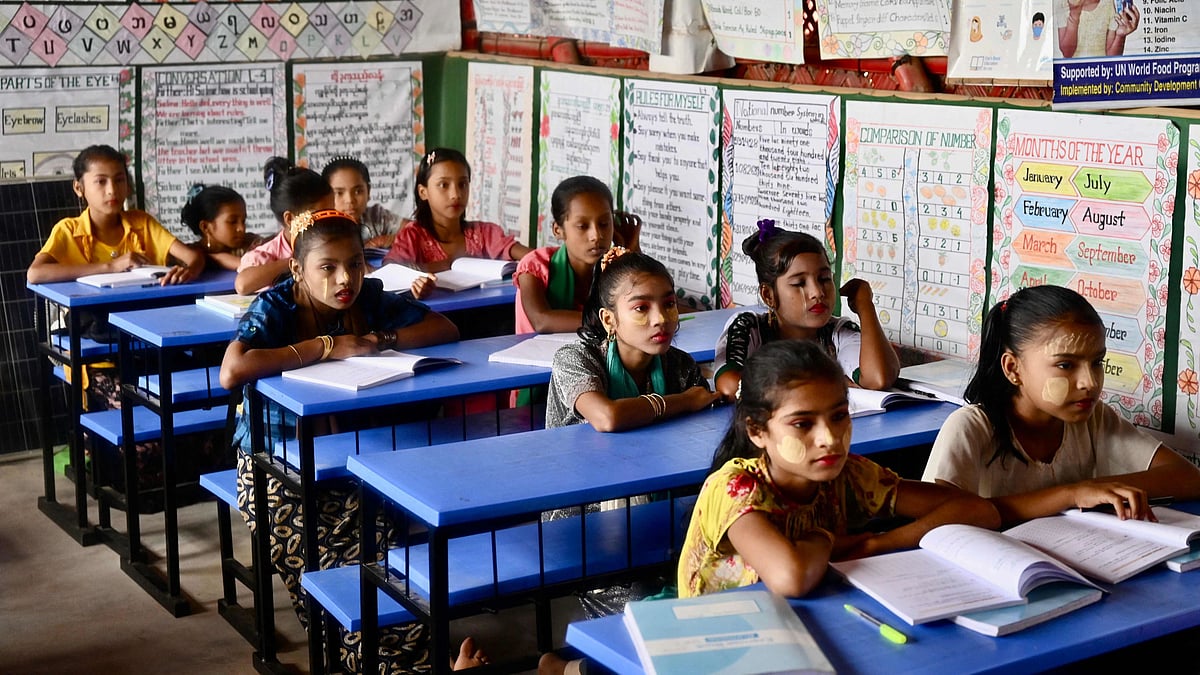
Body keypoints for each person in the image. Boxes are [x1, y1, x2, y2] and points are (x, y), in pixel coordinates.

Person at [217, 210, 478, 672]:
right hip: (273, 466)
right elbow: (232, 371)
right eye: (328, 267)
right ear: (297, 269)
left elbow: (446, 329)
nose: (346, 279)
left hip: (357, 458)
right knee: (327, 570)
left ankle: (410, 662)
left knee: (384, 566)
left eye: (356, 264)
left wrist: (381, 338)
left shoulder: (371, 299)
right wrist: (326, 346)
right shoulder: (275, 307)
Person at [678, 340, 999, 598]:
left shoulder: (849, 475)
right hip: (720, 635)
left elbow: (976, 510)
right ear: (757, 431)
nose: (830, 438)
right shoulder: (735, 487)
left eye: (839, 416)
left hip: (803, 618)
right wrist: (824, 538)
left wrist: (880, 543)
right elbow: (791, 578)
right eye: (803, 423)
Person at [923, 285, 1200, 526]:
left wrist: (1090, 489)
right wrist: (1070, 494)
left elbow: (1188, 478)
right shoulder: (972, 427)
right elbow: (939, 517)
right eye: (1065, 365)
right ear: (1012, 368)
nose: (1089, 382)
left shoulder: (1094, 419)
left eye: (1096, 362)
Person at [713, 219, 899, 401]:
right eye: (799, 283)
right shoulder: (748, 327)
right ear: (768, 295)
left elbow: (877, 379)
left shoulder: (838, 332)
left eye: (824, 279)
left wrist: (865, 306)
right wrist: (825, 383)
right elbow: (730, 386)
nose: (817, 292)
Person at [545, 247, 719, 430]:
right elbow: (607, 417)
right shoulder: (575, 359)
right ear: (608, 319)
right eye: (641, 308)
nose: (661, 319)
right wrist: (686, 401)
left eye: (669, 304)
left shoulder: (681, 365)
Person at [28, 144, 203, 285]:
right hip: (92, 321)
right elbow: (35, 273)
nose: (112, 190)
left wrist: (189, 271)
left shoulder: (142, 223)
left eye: (119, 180)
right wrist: (111, 266)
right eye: (101, 182)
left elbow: (193, 257)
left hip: (142, 313)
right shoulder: (68, 230)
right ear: (78, 188)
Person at [382, 148, 531, 298]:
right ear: (423, 192)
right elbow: (389, 271)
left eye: (462, 184)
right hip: (436, 317)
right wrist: (421, 279)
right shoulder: (413, 236)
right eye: (443, 185)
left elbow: (530, 256)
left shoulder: (484, 233)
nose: (456, 194)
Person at [515, 176, 619, 335]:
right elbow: (541, 321)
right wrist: (610, 321)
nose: (596, 235)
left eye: (604, 224)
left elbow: (643, 300)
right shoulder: (536, 266)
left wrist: (631, 246)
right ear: (558, 230)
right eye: (582, 226)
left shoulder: (614, 268)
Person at [234, 156, 334, 294]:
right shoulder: (266, 255)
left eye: (332, 212)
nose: (328, 219)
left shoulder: (333, 243)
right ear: (290, 219)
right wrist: (296, 260)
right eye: (319, 214)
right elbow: (243, 285)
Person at [322, 156, 402, 249]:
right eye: (339, 193)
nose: (350, 200)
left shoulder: (376, 216)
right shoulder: (319, 229)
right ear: (326, 196)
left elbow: (415, 231)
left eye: (358, 191)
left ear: (368, 191)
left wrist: (391, 239)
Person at [180, 184, 262, 271]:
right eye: (232, 221)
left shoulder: (252, 243)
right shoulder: (189, 255)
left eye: (243, 221)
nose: (241, 228)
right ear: (205, 227)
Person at [1055, 0, 1139, 58]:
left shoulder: (1110, 4)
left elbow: (1112, 57)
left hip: (1100, 75)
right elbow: (1067, 53)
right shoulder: (1063, 3)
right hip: (1072, 76)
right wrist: (1074, 16)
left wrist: (1120, 36)